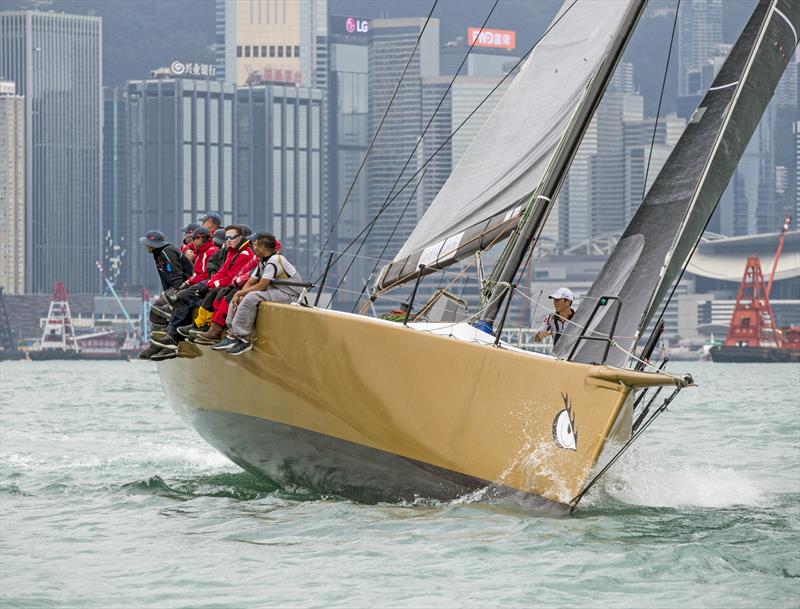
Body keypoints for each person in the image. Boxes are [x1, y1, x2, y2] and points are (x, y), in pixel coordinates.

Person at [212, 231, 302, 356]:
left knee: (251, 296)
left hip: (288, 294)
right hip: (275, 290)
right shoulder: (262, 261)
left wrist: (242, 293)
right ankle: (231, 335)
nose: (252, 247)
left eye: (254, 245)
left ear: (262, 247)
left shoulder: (275, 260)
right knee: (240, 295)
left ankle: (244, 338)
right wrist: (239, 294)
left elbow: (261, 285)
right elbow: (251, 282)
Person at [151, 227, 219, 351]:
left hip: (208, 285)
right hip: (201, 284)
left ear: (200, 238)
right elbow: (197, 274)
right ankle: (172, 329)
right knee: (179, 296)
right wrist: (187, 283)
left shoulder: (210, 251)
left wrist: (188, 284)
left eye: (193, 239)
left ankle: (173, 335)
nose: (191, 243)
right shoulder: (200, 253)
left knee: (183, 297)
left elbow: (205, 275)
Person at [190, 225, 256, 345]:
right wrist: (210, 284)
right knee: (211, 292)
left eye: (232, 237)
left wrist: (213, 284)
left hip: (240, 286)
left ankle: (215, 330)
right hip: (233, 283)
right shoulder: (232, 251)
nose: (229, 240)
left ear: (240, 237)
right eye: (227, 238)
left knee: (223, 295)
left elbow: (231, 277)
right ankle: (202, 323)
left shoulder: (244, 254)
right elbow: (222, 271)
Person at [137, 230, 192, 360]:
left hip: (183, 286)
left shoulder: (168, 251)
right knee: (158, 310)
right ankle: (157, 344)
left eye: (149, 243)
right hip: (173, 287)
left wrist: (175, 292)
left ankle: (159, 345)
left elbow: (177, 273)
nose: (147, 246)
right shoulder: (158, 254)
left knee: (157, 309)